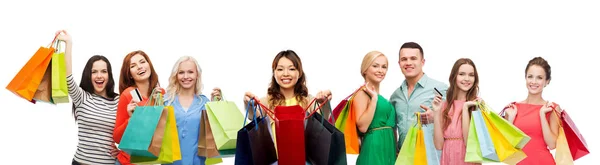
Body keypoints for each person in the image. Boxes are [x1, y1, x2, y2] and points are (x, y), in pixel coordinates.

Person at [243, 50, 332, 164]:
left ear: (299, 73)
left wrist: (323, 103)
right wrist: (248, 103)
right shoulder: (268, 101)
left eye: (291, 68)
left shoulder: (308, 100)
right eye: (280, 69)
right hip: (275, 162)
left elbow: (323, 120)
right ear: (274, 73)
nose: (285, 73)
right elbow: (253, 116)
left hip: (303, 161)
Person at [57, 30, 120, 165]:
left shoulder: (118, 101)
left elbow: (130, 131)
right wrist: (69, 43)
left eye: (104, 71)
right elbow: (67, 77)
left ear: (109, 75)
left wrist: (123, 151)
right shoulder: (82, 97)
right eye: (94, 72)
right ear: (88, 75)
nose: (99, 76)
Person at [390, 42, 448, 159]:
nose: (408, 63)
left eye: (413, 58)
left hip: (430, 157)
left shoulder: (440, 89)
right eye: (404, 59)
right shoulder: (396, 96)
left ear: (422, 62)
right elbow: (393, 128)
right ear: (399, 63)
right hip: (403, 158)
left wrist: (436, 116)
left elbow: (455, 120)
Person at [162, 56, 222, 165]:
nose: (186, 76)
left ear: (197, 75)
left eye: (190, 72)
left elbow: (215, 133)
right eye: (181, 72)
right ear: (176, 75)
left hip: (197, 161)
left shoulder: (204, 103)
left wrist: (216, 106)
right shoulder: (166, 102)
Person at [502, 57, 560, 165]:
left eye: (539, 78)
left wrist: (542, 115)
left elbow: (552, 144)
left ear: (547, 81)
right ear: (525, 78)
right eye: (530, 77)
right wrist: (510, 120)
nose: (533, 82)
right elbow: (506, 146)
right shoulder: (513, 108)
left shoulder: (551, 108)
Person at [113, 50, 164, 165]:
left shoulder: (159, 95)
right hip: (129, 162)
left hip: (152, 161)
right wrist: (131, 120)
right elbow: (117, 137)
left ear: (149, 65)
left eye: (142, 62)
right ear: (129, 74)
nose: (140, 67)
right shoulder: (130, 94)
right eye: (133, 66)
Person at [428, 58, 481, 165]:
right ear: (454, 77)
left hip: (468, 160)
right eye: (462, 74)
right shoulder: (445, 106)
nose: (467, 79)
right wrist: (437, 112)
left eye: (471, 75)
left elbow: (468, 143)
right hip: (448, 158)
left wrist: (465, 108)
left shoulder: (477, 105)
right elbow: (439, 145)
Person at [353, 51, 396, 165]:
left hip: (387, 148)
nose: (380, 70)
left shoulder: (380, 96)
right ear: (365, 69)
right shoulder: (361, 94)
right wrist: (374, 99)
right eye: (375, 66)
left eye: (384, 67)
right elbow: (362, 127)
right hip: (373, 148)